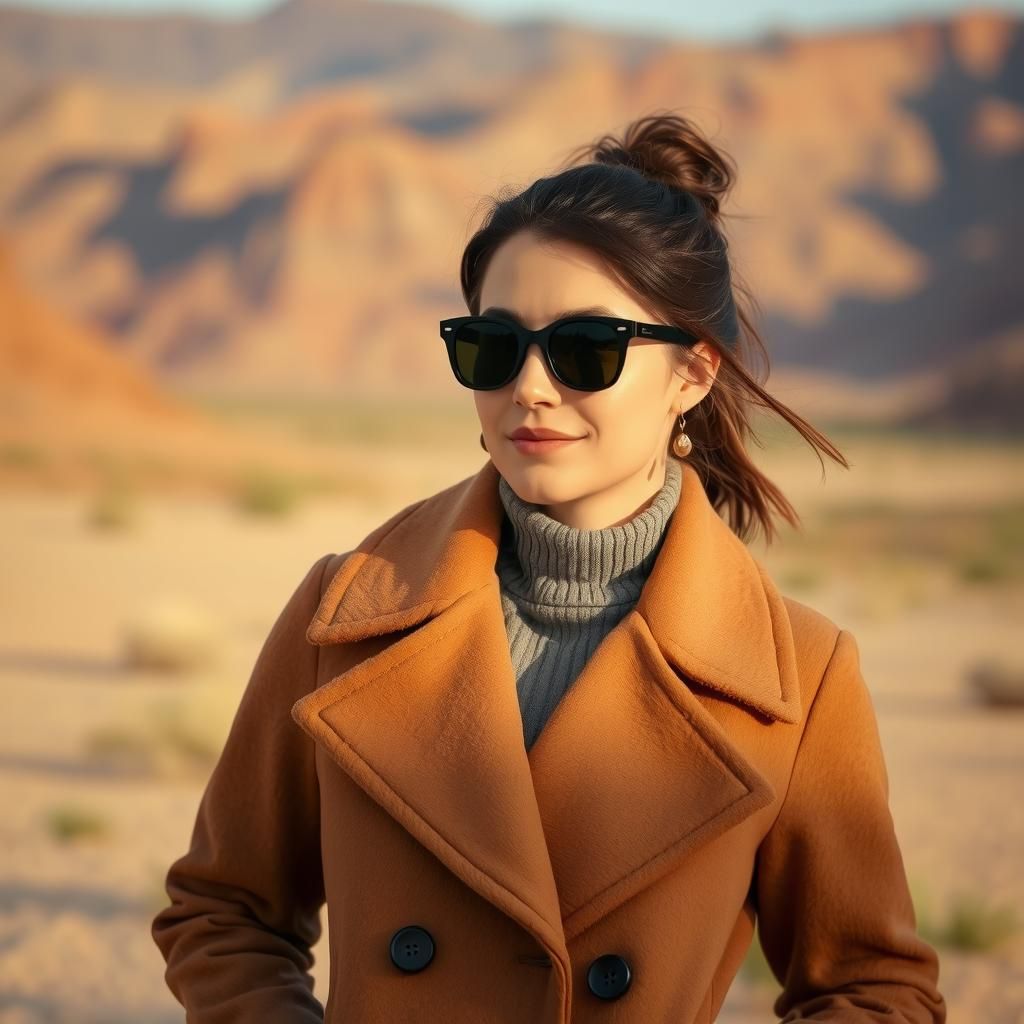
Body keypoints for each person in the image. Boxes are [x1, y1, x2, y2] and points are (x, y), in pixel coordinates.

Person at [151, 110, 947, 1022]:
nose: (530, 387)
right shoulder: (345, 612)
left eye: (586, 351)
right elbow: (225, 911)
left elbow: (873, 990)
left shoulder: (799, 680)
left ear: (692, 374)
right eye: (492, 347)